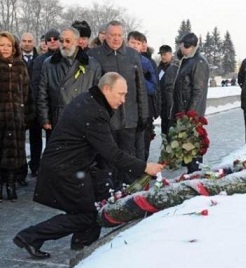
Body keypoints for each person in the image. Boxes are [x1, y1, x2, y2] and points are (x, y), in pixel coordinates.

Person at [13, 72, 164, 259]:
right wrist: (144, 167)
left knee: (90, 208)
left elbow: (102, 151)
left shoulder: (90, 101)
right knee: (86, 215)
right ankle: (31, 236)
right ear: (106, 89)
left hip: (70, 166)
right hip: (65, 169)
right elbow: (112, 153)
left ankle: (82, 247)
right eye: (121, 94)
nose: (123, 100)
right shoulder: (94, 112)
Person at [88, 20, 148, 187]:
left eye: (119, 35)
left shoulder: (132, 55)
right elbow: (93, 89)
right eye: (112, 35)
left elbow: (140, 87)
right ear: (105, 36)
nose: (115, 39)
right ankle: (109, 194)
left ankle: (128, 192)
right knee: (107, 160)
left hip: (130, 117)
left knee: (129, 158)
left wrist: (143, 115)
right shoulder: (95, 55)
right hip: (107, 119)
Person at [37, 27, 102, 139]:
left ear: (77, 42)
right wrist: (45, 119)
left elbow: (97, 96)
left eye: (68, 41)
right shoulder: (49, 64)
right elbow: (43, 93)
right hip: (57, 119)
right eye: (61, 41)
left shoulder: (92, 65)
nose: (64, 44)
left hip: (82, 119)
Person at [168, 32, 209, 174]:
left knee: (193, 147)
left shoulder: (198, 62)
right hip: (182, 111)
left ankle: (195, 174)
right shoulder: (186, 60)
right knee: (187, 147)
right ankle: (191, 173)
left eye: (182, 45)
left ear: (189, 46)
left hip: (190, 113)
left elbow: (198, 90)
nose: (180, 48)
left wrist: (191, 113)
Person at [0, 31, 34, 201]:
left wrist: (25, 115)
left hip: (16, 118)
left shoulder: (21, 66)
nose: (5, 48)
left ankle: (11, 185)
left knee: (13, 155)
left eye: (8, 45)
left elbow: (26, 93)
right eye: (1, 45)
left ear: (14, 48)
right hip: (0, 118)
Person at [29, 28, 61, 175]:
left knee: (52, 141)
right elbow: (35, 85)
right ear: (46, 42)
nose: (53, 41)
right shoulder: (40, 60)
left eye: (55, 39)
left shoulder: (64, 58)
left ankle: (50, 168)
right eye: (50, 39)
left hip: (56, 106)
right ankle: (35, 166)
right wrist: (38, 108)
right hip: (40, 104)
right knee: (36, 139)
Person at [127, 31, 160, 161]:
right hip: (123, 110)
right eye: (132, 42)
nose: (135, 46)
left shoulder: (146, 63)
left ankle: (141, 171)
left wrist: (139, 77)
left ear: (142, 46)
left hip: (142, 109)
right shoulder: (117, 58)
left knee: (141, 144)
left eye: (138, 43)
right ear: (127, 42)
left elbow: (153, 88)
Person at [19, 32, 39, 184]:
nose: (27, 43)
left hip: (35, 104)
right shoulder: (16, 59)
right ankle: (20, 172)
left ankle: (36, 166)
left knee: (35, 138)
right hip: (18, 104)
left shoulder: (40, 59)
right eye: (24, 41)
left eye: (29, 41)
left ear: (34, 42)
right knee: (18, 140)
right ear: (20, 42)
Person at [157, 45, 173, 135]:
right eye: (161, 54)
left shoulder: (176, 67)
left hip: (173, 105)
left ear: (170, 54)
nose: (163, 56)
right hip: (163, 106)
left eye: (165, 54)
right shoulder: (159, 69)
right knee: (165, 132)